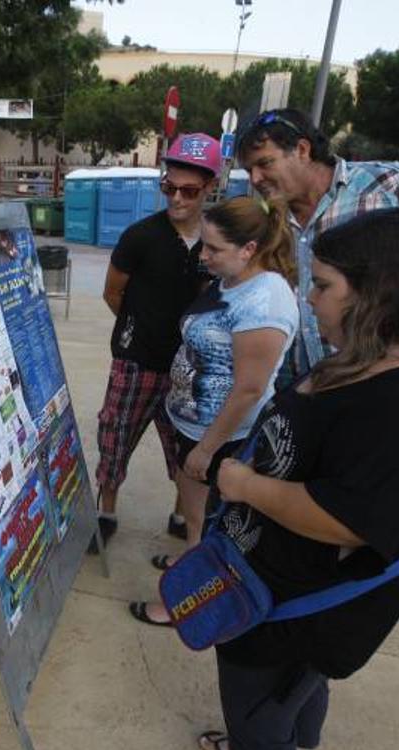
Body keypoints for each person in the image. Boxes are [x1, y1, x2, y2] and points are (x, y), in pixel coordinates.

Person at [193, 208, 399, 750]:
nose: (309, 299)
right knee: (293, 696)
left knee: (258, 724)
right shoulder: (383, 353)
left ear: (382, 291)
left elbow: (346, 518)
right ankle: (293, 731)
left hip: (292, 612)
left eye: (324, 285)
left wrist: (243, 485)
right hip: (285, 590)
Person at [129, 196, 299, 627]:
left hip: (222, 436)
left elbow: (249, 388)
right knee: (196, 519)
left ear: (249, 248)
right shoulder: (231, 280)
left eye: (213, 249)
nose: (202, 257)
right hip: (191, 424)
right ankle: (190, 560)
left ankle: (182, 604)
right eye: (203, 246)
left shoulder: (265, 302)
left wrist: (207, 449)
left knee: (213, 527)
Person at [237, 109, 399, 382]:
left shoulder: (390, 185)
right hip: (298, 383)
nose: (255, 179)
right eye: (248, 170)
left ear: (302, 149)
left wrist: (387, 327)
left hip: (377, 378)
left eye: (264, 163)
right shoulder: (269, 220)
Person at [90, 132, 220, 553]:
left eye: (189, 190)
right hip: (137, 360)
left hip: (191, 365)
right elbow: (113, 293)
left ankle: (182, 515)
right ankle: (106, 512)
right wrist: (137, 328)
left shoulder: (217, 242)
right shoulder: (140, 236)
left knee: (187, 444)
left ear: (210, 188)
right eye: (169, 187)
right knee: (116, 433)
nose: (177, 198)